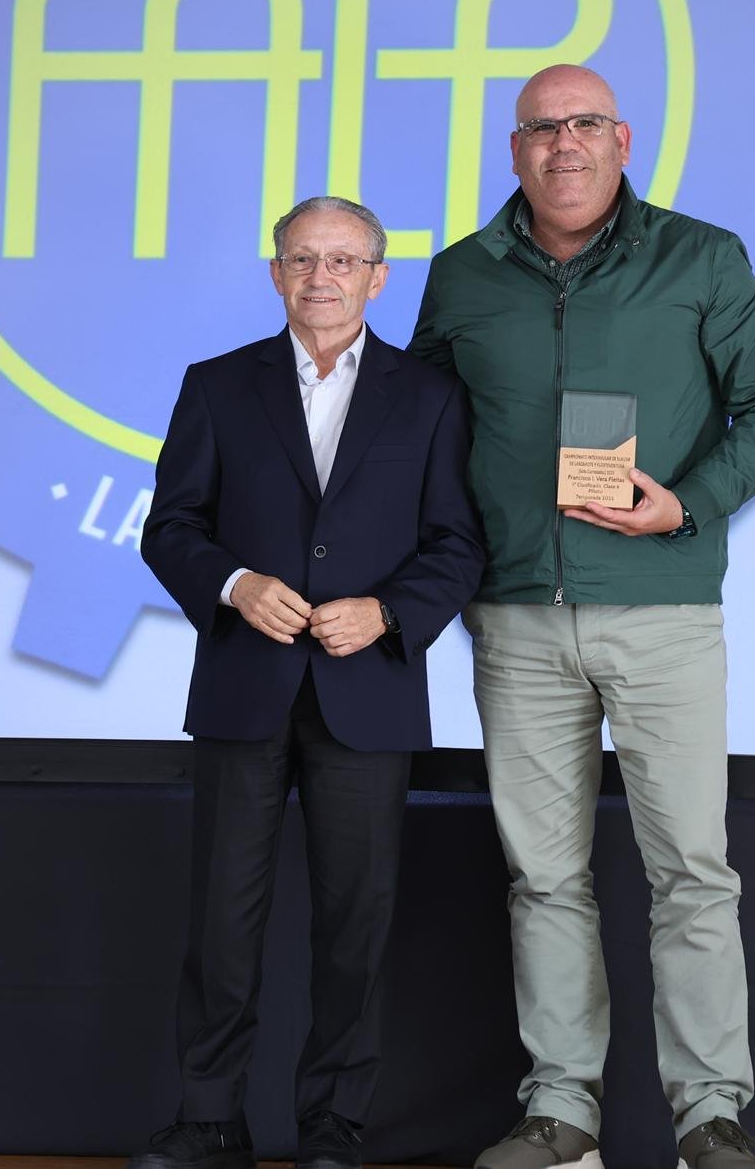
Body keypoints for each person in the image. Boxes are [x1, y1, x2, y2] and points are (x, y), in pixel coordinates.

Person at [409, 65, 755, 1169]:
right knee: (544, 873)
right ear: (514, 151)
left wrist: (690, 501)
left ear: (622, 138)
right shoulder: (462, 275)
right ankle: (562, 1111)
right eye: (542, 129)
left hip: (662, 612)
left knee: (690, 865)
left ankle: (709, 1114)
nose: (564, 146)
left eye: (585, 124)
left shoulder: (702, 256)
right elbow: (420, 437)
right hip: (515, 621)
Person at [139, 196, 485, 1169]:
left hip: (366, 690)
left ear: (380, 277)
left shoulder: (429, 397)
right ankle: (209, 1117)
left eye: (343, 260)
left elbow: (459, 543)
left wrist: (387, 611)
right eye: (302, 258)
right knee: (221, 920)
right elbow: (170, 527)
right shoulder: (216, 385)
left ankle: (333, 1123)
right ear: (275, 271)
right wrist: (236, 584)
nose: (320, 276)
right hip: (244, 687)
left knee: (354, 923)